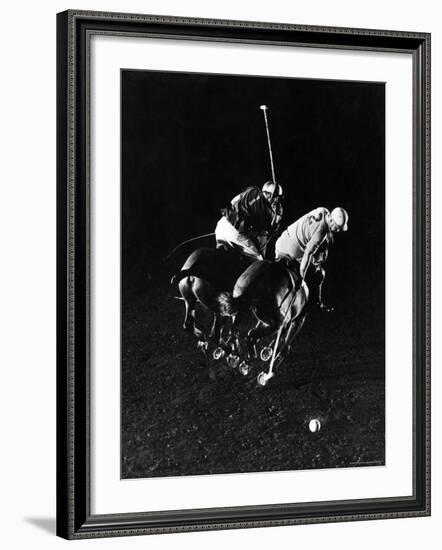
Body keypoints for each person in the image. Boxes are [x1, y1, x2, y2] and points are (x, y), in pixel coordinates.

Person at [275, 206, 349, 310]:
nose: (337, 231)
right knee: (319, 274)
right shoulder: (321, 233)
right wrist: (301, 277)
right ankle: (317, 304)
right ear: (331, 220)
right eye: (336, 227)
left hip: (281, 242)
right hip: (292, 253)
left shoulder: (323, 210)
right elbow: (308, 252)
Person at [215, 181, 283, 260]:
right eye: (274, 197)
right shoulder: (268, 210)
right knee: (258, 260)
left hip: (221, 226)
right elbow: (265, 232)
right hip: (235, 234)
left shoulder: (252, 190)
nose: (274, 199)